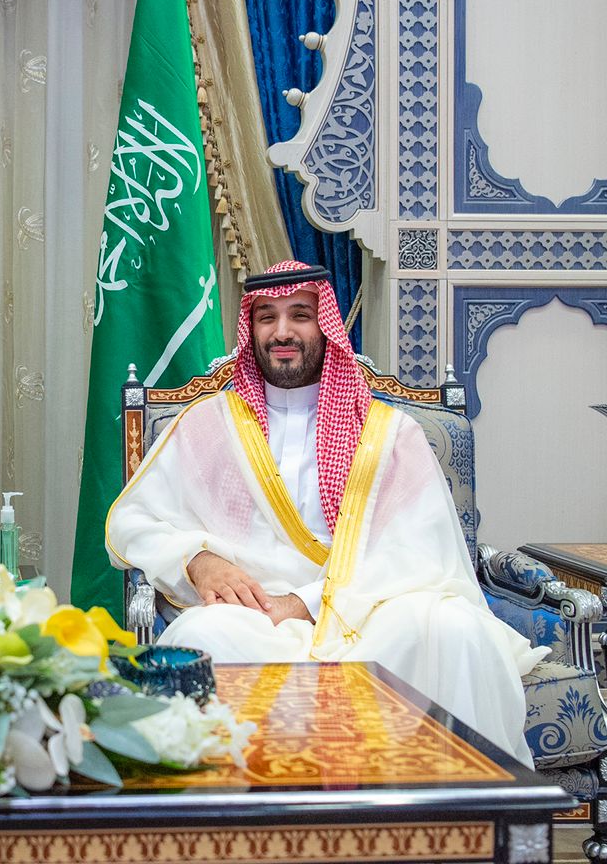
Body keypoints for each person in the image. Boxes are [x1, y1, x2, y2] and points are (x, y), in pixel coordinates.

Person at [106, 260, 545, 764]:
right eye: (267, 317)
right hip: (253, 618)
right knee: (203, 636)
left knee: (453, 630)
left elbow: (418, 553)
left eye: (300, 314)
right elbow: (132, 521)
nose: (282, 332)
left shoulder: (389, 434)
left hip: (371, 612)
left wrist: (304, 602)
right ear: (251, 329)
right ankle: (249, 805)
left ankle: (444, 802)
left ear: (327, 327)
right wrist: (196, 561)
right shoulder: (207, 425)